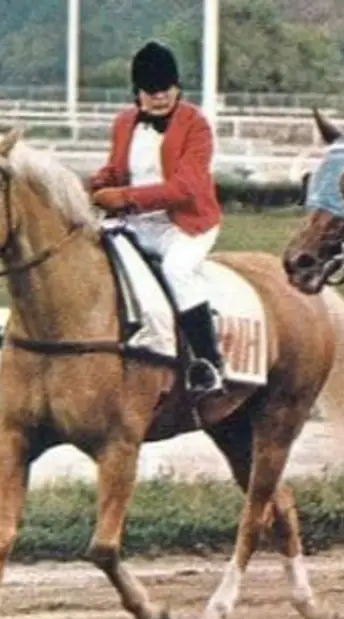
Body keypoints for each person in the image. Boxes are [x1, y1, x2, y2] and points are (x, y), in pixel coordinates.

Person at [89, 40, 226, 397]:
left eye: (166, 89)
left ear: (177, 87)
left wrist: (124, 198)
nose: (160, 98)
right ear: (137, 93)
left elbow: (186, 187)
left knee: (177, 271)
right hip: (136, 223)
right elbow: (117, 169)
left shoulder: (196, 124)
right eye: (151, 91)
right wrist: (98, 184)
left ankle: (209, 363)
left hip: (185, 224)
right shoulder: (123, 123)